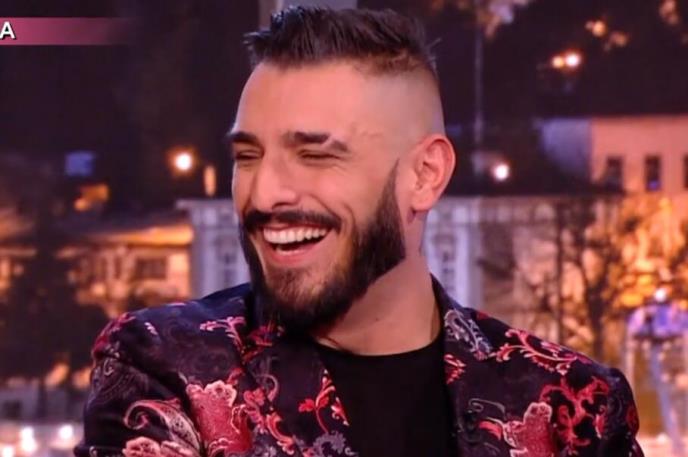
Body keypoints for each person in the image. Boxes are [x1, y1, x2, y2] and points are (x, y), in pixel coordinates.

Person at [77, 6, 644, 457]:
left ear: (425, 176)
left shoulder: (574, 410)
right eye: (248, 156)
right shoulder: (166, 369)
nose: (265, 195)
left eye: (315, 155)